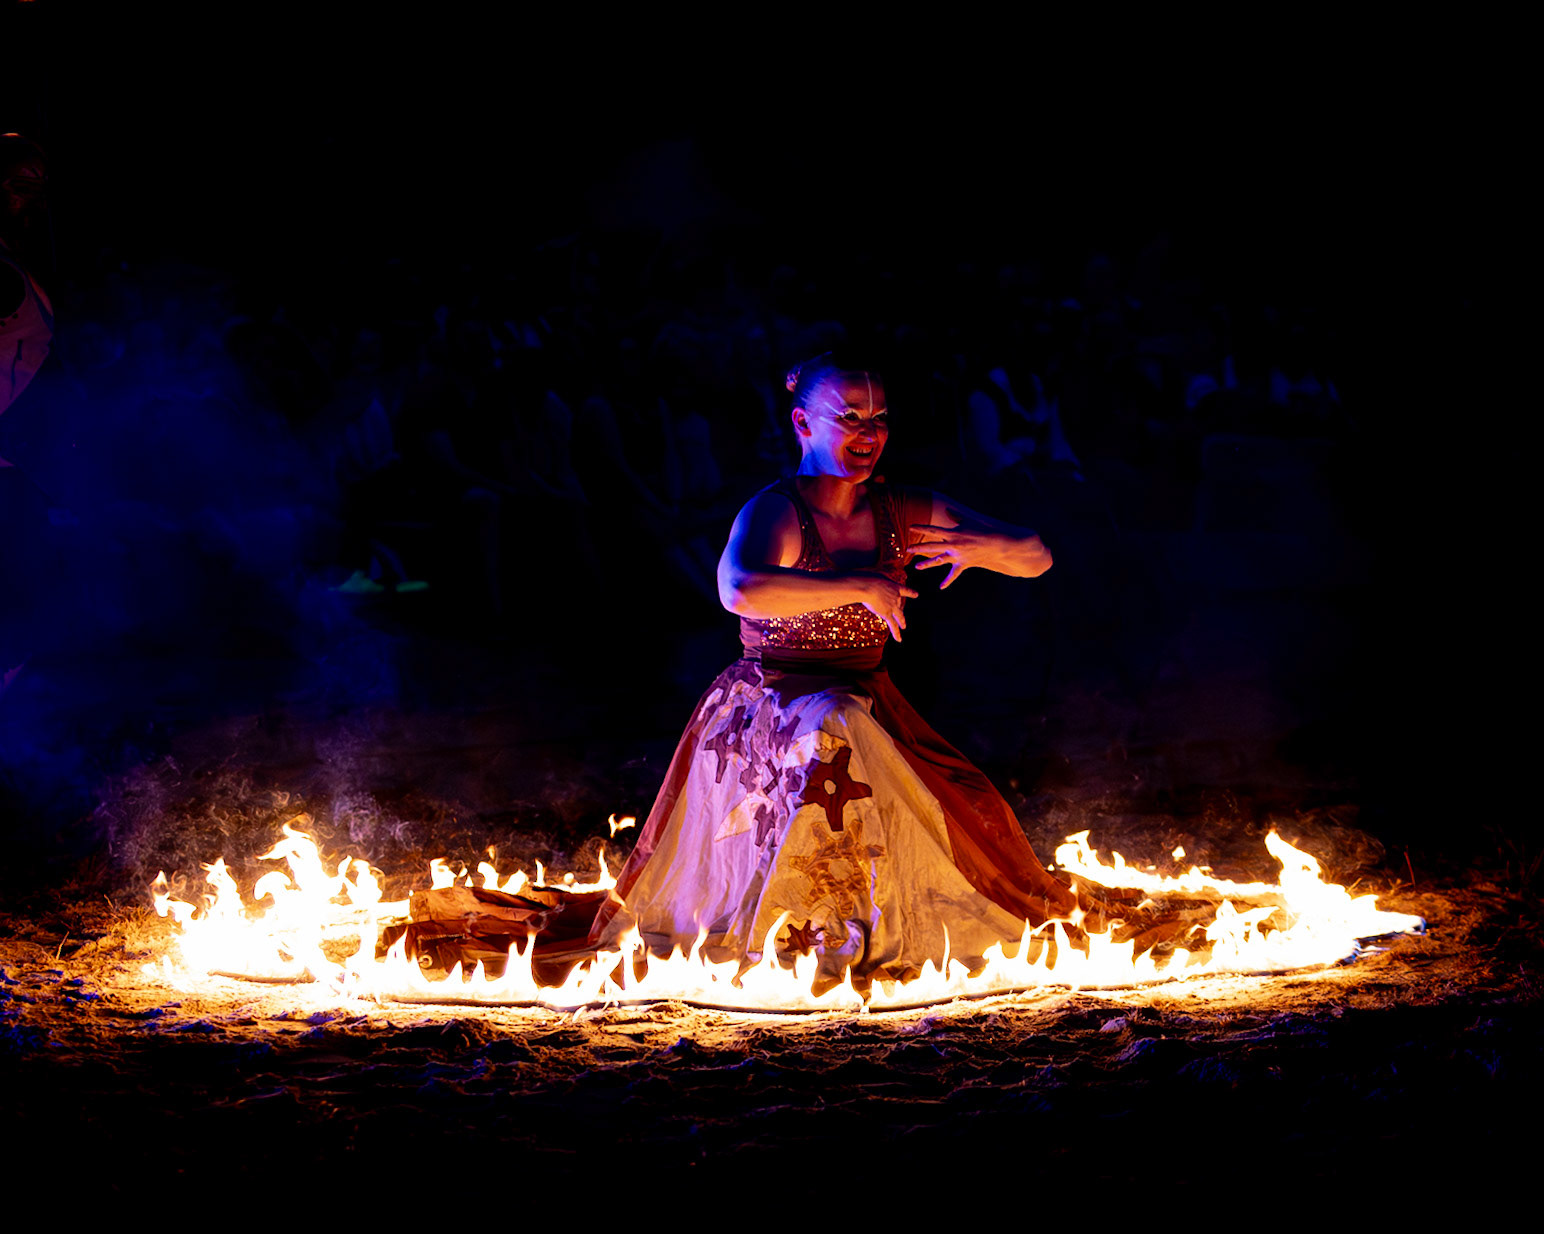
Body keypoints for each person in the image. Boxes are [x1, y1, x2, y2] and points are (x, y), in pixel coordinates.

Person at [588, 353, 1126, 991]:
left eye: (878, 418)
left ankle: (874, 930)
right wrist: (857, 586)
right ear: (802, 424)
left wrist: (984, 547)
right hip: (771, 704)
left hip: (864, 698)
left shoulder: (900, 510)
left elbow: (1037, 556)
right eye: (848, 417)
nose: (868, 433)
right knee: (834, 725)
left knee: (897, 757)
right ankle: (804, 940)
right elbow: (739, 588)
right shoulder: (777, 511)